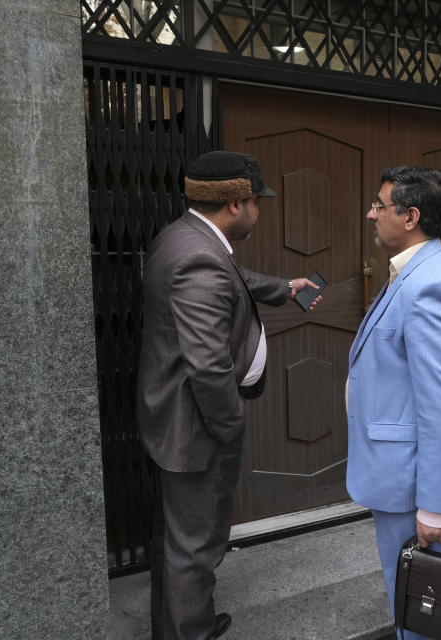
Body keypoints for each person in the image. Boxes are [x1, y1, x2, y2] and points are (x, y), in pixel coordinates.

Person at [137, 151, 321, 640]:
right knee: (195, 543)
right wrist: (230, 426)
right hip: (195, 425)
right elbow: (208, 365)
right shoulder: (200, 256)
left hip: (177, 416)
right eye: (258, 202)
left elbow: (231, 281)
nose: (261, 211)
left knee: (179, 540)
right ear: (237, 204)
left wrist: (284, 286)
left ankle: (182, 621)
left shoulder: (186, 236)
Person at [347, 166, 441, 640]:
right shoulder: (416, 268)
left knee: (422, 612)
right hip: (402, 474)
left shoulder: (430, 284)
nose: (371, 213)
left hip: (413, 483)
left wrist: (435, 508)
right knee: (414, 606)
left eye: (380, 206)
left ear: (410, 216)